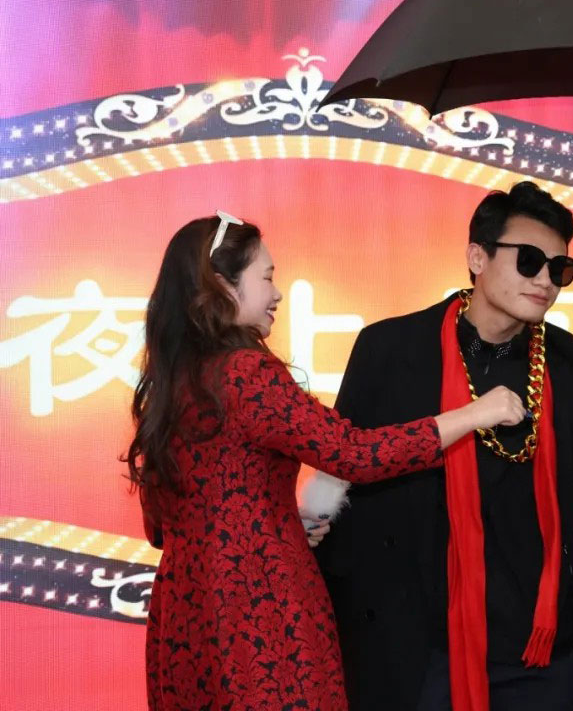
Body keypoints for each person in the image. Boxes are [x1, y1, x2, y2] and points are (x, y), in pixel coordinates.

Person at [124, 212, 523, 710]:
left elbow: (162, 525)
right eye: (266, 278)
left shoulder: (172, 384)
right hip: (258, 607)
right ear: (222, 286)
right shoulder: (247, 372)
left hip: (186, 614)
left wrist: (269, 519)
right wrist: (474, 414)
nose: (277, 294)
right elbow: (354, 454)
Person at [304, 182, 573, 711]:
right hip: (416, 646)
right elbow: (345, 464)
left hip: (533, 646)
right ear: (477, 257)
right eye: (529, 261)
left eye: (560, 269)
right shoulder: (391, 347)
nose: (545, 280)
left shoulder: (564, 359)